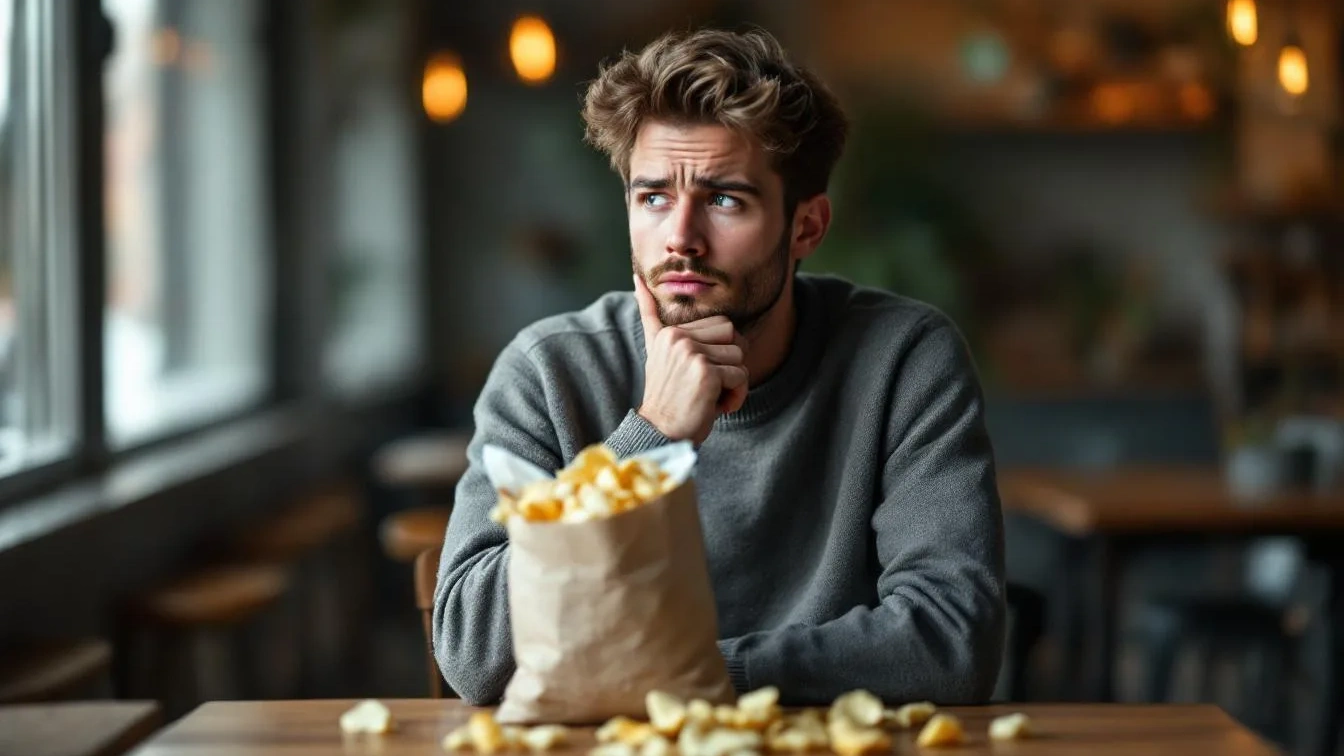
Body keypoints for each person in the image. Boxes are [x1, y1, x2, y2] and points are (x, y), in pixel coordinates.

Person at [433, 28, 1004, 706]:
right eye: (653, 198)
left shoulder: (904, 360)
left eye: (724, 199)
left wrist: (689, 678)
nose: (680, 237)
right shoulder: (549, 372)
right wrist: (647, 444)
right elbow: (474, 653)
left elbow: (950, 642)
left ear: (807, 228)